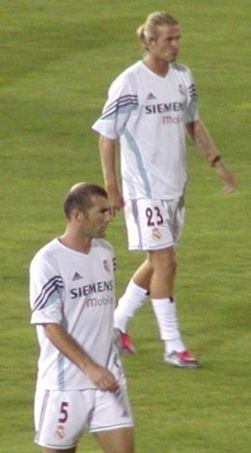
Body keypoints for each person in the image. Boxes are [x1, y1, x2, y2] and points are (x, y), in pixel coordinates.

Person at [29, 182, 157, 453]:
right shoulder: (47, 262)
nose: (109, 216)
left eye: (109, 210)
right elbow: (50, 326)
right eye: (101, 211)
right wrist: (89, 367)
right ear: (78, 215)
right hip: (65, 386)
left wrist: (108, 364)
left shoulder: (104, 254)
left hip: (108, 381)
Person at [92, 11, 237, 367]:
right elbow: (107, 135)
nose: (176, 45)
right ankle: (172, 345)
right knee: (166, 261)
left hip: (175, 186)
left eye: (178, 37)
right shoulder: (130, 83)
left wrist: (217, 163)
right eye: (168, 39)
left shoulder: (183, 77)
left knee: (157, 262)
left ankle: (115, 323)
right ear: (149, 42)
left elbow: (193, 123)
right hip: (145, 188)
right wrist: (112, 186)